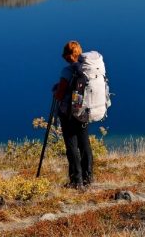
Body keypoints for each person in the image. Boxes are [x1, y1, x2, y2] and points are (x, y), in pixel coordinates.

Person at [53, 40, 93, 189]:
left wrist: (56, 91)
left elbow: (60, 94)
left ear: (68, 54)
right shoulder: (87, 69)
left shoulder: (67, 71)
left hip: (69, 114)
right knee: (85, 144)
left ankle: (76, 181)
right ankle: (88, 178)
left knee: (72, 146)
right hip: (84, 112)